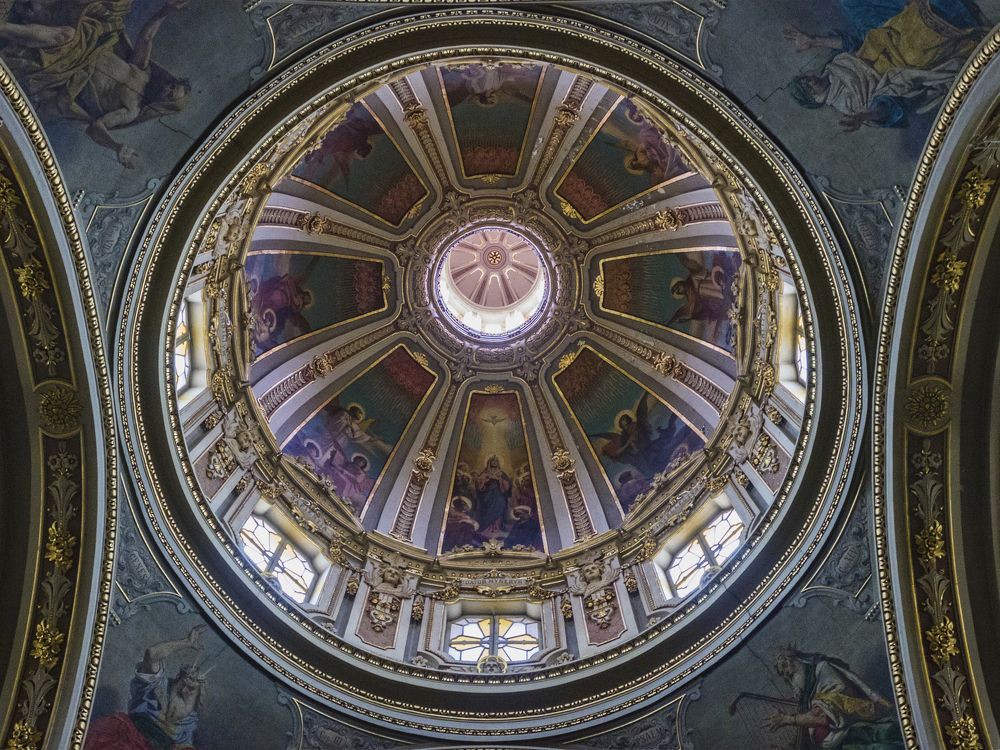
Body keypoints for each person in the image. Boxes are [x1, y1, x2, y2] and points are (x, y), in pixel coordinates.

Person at [0, 0, 192, 168]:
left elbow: (96, 127)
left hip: (69, 70)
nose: (166, 88)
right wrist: (167, 10)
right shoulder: (143, 72)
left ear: (162, 105)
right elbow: (147, 37)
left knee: (66, 36)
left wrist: (117, 146)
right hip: (87, 44)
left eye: (170, 94)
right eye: (172, 85)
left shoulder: (131, 110)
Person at [784, 0, 986, 130]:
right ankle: (954, 12)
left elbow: (851, 44)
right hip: (898, 63)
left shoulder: (831, 70)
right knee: (916, 49)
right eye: (807, 88)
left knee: (849, 3)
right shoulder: (847, 104)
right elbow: (888, 105)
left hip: (876, 37)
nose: (809, 81)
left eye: (804, 80)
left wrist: (813, 41)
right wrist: (865, 116)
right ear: (814, 98)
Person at [85, 624, 208, 749]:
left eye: (191, 689)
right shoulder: (156, 687)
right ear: (176, 679)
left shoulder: (189, 724)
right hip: (123, 734)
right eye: (182, 683)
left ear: (198, 695)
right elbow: (152, 654)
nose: (184, 689)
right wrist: (186, 642)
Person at [765, 646, 905, 749]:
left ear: (799, 661)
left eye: (791, 674)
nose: (791, 682)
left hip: (857, 735)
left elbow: (826, 714)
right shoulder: (807, 699)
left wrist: (788, 719)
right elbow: (806, 737)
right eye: (788, 678)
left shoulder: (823, 670)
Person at [473, 455, 512, 534]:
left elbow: (508, 485)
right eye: (492, 461)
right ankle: (486, 527)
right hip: (487, 494)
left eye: (496, 461)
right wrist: (485, 479)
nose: (494, 462)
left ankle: (498, 526)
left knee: (501, 504)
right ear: (489, 462)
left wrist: (500, 480)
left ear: (498, 463)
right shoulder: (485, 473)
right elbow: (478, 484)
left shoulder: (501, 473)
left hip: (499, 494)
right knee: (487, 506)